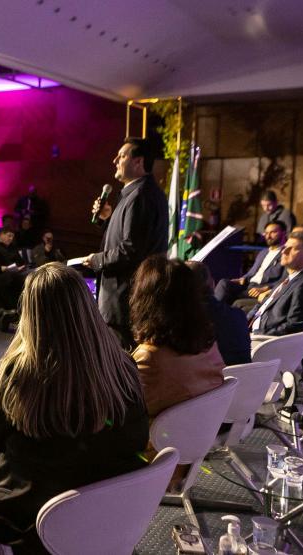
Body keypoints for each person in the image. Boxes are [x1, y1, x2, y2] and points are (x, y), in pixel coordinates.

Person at [0, 263, 148, 553]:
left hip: (34, 510)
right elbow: (137, 439)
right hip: (105, 499)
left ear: (30, 313)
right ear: (86, 306)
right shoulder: (123, 366)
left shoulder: (12, 373)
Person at [83, 138, 168, 347]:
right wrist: (106, 220)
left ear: (138, 162)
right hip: (124, 299)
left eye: (121, 156)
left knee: (122, 359)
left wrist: (97, 260)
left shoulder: (140, 196)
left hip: (125, 301)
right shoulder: (136, 193)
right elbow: (130, 240)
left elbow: (132, 250)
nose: (115, 161)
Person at [129, 256, 226, 418]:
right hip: (204, 429)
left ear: (144, 300)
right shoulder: (208, 346)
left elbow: (122, 414)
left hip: (156, 434)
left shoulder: (149, 358)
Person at [249, 231, 303, 336]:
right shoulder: (289, 278)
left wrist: (258, 334)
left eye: (292, 248)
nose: (284, 251)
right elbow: (263, 306)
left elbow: (294, 326)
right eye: (285, 247)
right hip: (251, 331)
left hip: (266, 340)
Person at [186, 261, 252, 366]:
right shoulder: (239, 316)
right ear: (213, 284)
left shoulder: (185, 322)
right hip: (244, 375)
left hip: (210, 375)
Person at [215, 221, 287, 307]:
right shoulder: (263, 252)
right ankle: (211, 311)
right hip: (249, 286)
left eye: (273, 232)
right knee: (224, 283)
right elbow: (252, 272)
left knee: (231, 299)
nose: (268, 236)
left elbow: (286, 280)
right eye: (266, 233)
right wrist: (243, 279)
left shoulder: (286, 254)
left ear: (284, 233)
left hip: (262, 289)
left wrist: (266, 288)